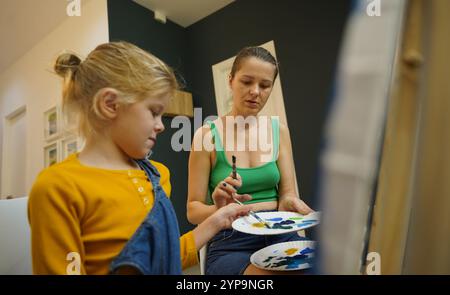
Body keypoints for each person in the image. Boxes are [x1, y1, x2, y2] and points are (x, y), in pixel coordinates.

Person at [28, 41, 250, 275]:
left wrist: (218, 218)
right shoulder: (57, 188)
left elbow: (166, 256)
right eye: (154, 112)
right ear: (110, 104)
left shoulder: (158, 175)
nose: (160, 126)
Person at [187, 46, 314, 275]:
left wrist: (291, 202)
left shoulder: (279, 131)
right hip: (231, 239)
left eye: (265, 85)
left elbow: (287, 193)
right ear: (231, 80)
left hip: (280, 231)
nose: (255, 91)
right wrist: (219, 209)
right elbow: (192, 210)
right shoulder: (206, 136)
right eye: (246, 82)